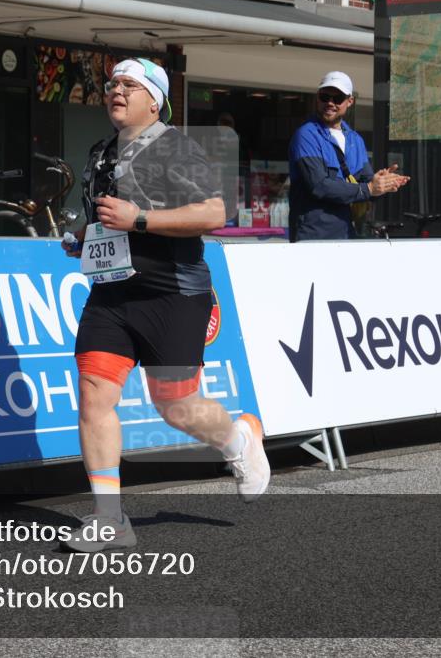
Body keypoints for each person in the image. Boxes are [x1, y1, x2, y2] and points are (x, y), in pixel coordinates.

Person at [60, 58, 270, 552]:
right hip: (112, 293)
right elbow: (108, 217)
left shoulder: (176, 147)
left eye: (129, 85)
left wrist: (139, 220)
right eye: (112, 84)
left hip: (173, 292)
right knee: (93, 395)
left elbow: (215, 212)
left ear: (154, 101)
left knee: (175, 405)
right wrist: (85, 236)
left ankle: (239, 438)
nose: (116, 91)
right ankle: (110, 518)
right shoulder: (100, 152)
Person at [288, 71, 410, 241]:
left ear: (350, 101)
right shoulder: (306, 135)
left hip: (346, 233)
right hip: (312, 235)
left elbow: (367, 182)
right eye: (325, 97)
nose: (330, 103)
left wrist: (383, 183)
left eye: (337, 98)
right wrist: (368, 188)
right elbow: (319, 186)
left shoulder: (355, 139)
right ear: (318, 98)